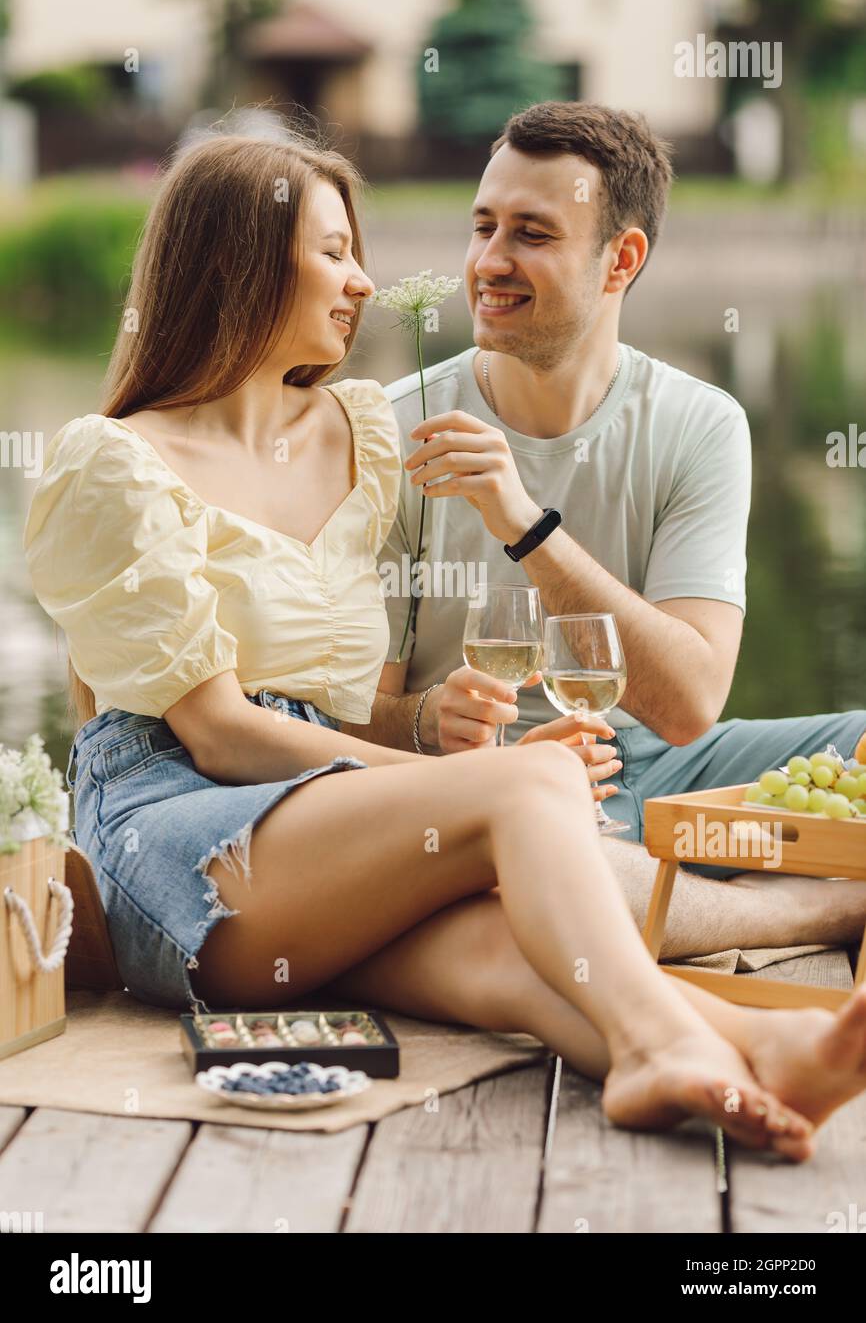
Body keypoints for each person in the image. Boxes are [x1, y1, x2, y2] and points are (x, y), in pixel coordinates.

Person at [22, 125, 866, 1162]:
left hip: (306, 849)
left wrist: (426, 726)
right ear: (237, 261)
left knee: (514, 956)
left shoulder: (358, 439)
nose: (364, 281)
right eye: (333, 252)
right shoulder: (110, 462)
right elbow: (220, 731)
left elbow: (331, 709)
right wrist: (481, 781)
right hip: (181, 837)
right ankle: (669, 1032)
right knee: (529, 793)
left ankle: (753, 1047)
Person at [354, 100, 866, 925]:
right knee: (554, 862)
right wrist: (425, 723)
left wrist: (528, 526)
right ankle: (803, 913)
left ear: (621, 259)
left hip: (657, 762)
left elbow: (691, 702)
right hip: (478, 783)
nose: (490, 261)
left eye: (533, 233)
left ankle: (670, 884)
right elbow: (338, 720)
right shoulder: (393, 427)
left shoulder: (701, 424)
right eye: (482, 227)